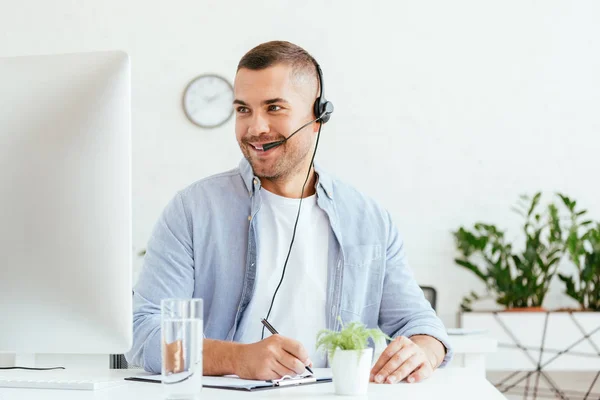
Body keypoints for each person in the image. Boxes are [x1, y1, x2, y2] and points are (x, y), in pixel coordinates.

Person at [127, 40, 453, 385]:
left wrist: (424, 351)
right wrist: (238, 358)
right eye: (243, 110)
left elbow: (421, 325)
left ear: (318, 117)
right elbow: (143, 332)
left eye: (274, 108)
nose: (255, 128)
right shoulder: (193, 210)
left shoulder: (369, 220)